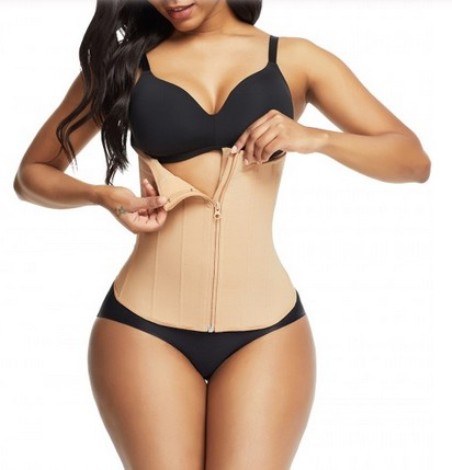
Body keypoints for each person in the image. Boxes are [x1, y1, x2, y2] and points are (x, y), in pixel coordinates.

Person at [13, 0, 431, 468]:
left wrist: (316, 138)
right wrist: (102, 196)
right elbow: (31, 174)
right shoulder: (125, 65)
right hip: (142, 327)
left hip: (267, 331)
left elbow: (413, 160)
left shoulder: (295, 60)